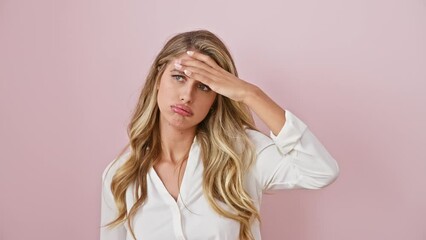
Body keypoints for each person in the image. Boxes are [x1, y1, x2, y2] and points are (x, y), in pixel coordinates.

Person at [100, 29, 339, 240]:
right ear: (157, 80)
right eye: (178, 77)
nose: (187, 95)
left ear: (216, 98)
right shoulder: (120, 176)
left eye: (204, 86)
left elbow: (320, 171)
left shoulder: (242, 153)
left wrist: (250, 94)